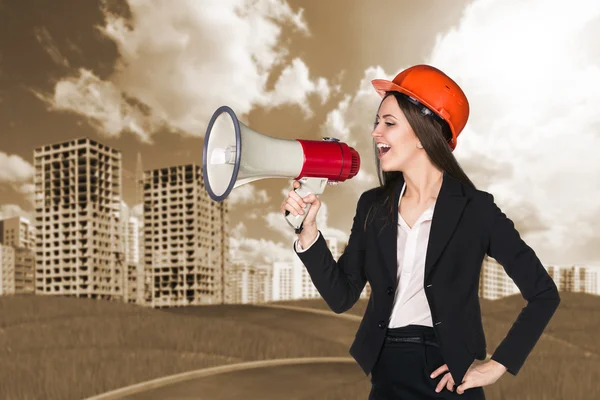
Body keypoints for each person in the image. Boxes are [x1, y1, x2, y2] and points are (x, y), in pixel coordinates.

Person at [281, 64, 561, 399]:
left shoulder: (475, 209)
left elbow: (543, 293)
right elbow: (342, 296)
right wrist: (308, 230)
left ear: (422, 132)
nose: (375, 133)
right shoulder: (372, 206)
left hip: (447, 378)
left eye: (389, 123)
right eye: (377, 122)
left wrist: (497, 365)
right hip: (386, 374)